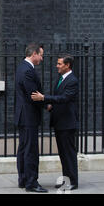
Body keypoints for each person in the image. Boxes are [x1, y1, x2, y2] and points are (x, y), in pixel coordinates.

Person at [31, 54, 79, 191]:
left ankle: (73, 182)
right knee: (63, 154)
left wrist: (44, 98)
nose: (57, 66)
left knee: (69, 153)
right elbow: (59, 98)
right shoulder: (61, 78)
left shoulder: (72, 80)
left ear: (67, 65)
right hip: (60, 122)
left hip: (67, 123)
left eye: (59, 64)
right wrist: (50, 105)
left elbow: (64, 98)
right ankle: (66, 179)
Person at [15, 43, 47, 193]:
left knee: (23, 148)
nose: (41, 58)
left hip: (24, 116)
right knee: (30, 150)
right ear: (33, 54)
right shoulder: (28, 70)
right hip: (28, 116)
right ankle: (31, 183)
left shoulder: (22, 67)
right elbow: (33, 94)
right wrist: (46, 104)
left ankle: (23, 179)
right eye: (40, 55)